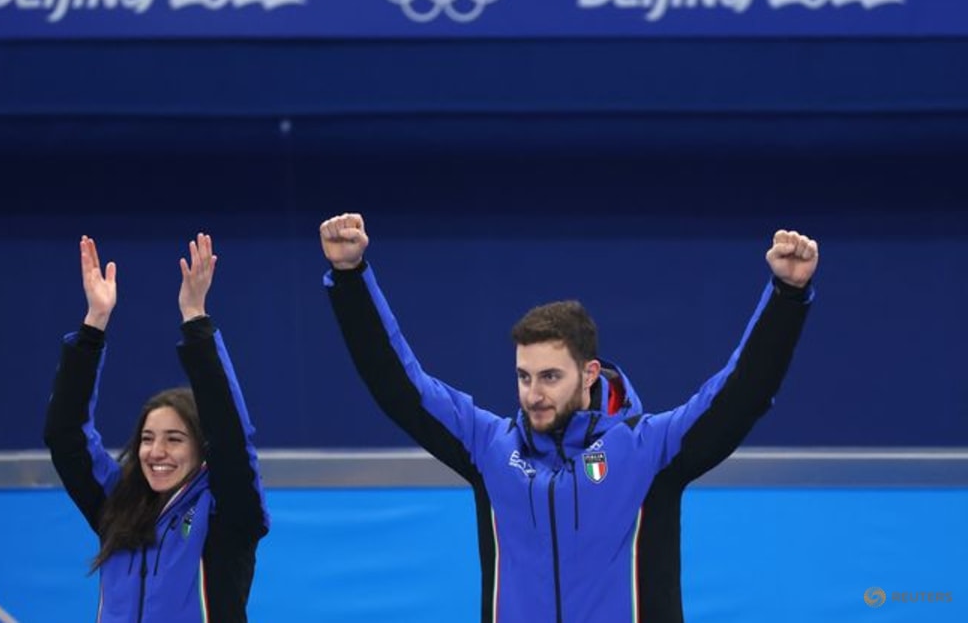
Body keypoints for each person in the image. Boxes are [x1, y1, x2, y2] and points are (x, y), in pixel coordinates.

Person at [319, 213, 816, 623]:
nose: (533, 394)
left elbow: (739, 395)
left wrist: (787, 297)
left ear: (589, 373)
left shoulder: (647, 450)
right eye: (523, 377)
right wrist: (350, 277)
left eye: (550, 377)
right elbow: (399, 387)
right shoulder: (491, 448)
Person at [44, 233, 268, 623]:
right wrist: (93, 325)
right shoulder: (117, 505)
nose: (155, 452)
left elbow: (232, 437)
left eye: (174, 439)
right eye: (147, 439)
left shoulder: (227, 512)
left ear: (202, 447)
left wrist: (196, 319)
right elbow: (66, 436)